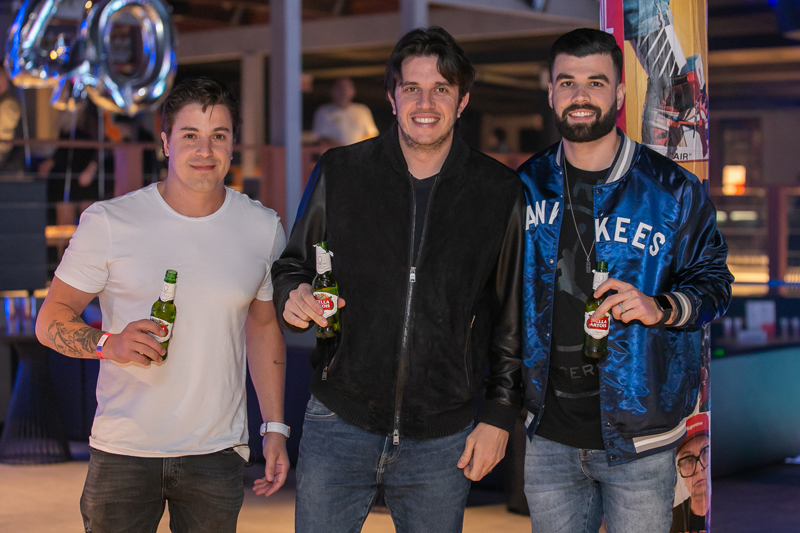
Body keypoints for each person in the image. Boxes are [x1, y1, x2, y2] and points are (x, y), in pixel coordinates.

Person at [272, 26, 524, 533]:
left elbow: (511, 316)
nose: (425, 103)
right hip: (339, 420)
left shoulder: (498, 191)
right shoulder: (341, 171)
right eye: (412, 88)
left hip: (442, 437)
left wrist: (499, 414)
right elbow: (293, 265)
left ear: (462, 100)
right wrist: (292, 295)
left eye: (441, 89)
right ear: (392, 97)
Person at [35, 77, 289, 533]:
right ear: (166, 142)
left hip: (216, 451)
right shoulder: (109, 222)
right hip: (124, 450)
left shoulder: (262, 228)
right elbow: (50, 320)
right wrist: (108, 344)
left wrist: (275, 426)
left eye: (219, 136)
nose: (205, 150)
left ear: (233, 145)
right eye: (190, 135)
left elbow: (263, 327)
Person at [517, 28, 732, 532]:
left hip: (641, 438)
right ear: (550, 93)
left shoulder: (671, 188)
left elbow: (716, 281)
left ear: (619, 93)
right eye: (567, 82)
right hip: (548, 436)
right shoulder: (524, 186)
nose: (580, 95)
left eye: (596, 82)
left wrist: (662, 307)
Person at [311, 76, 379, 146]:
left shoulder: (362, 110)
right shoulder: (323, 111)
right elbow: (321, 137)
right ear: (332, 90)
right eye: (339, 87)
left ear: (353, 91)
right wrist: (343, 149)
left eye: (348, 87)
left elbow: (371, 133)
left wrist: (359, 148)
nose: (344, 90)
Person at [671, 414, 710, 533]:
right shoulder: (671, 519)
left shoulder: (734, 507)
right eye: (688, 460)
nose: (699, 468)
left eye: (705, 451)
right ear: (678, 469)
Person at [0, 69, 24, 173]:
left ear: (3, 79)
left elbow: (4, 144)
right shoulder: (6, 103)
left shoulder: (8, 105)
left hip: (6, 166)